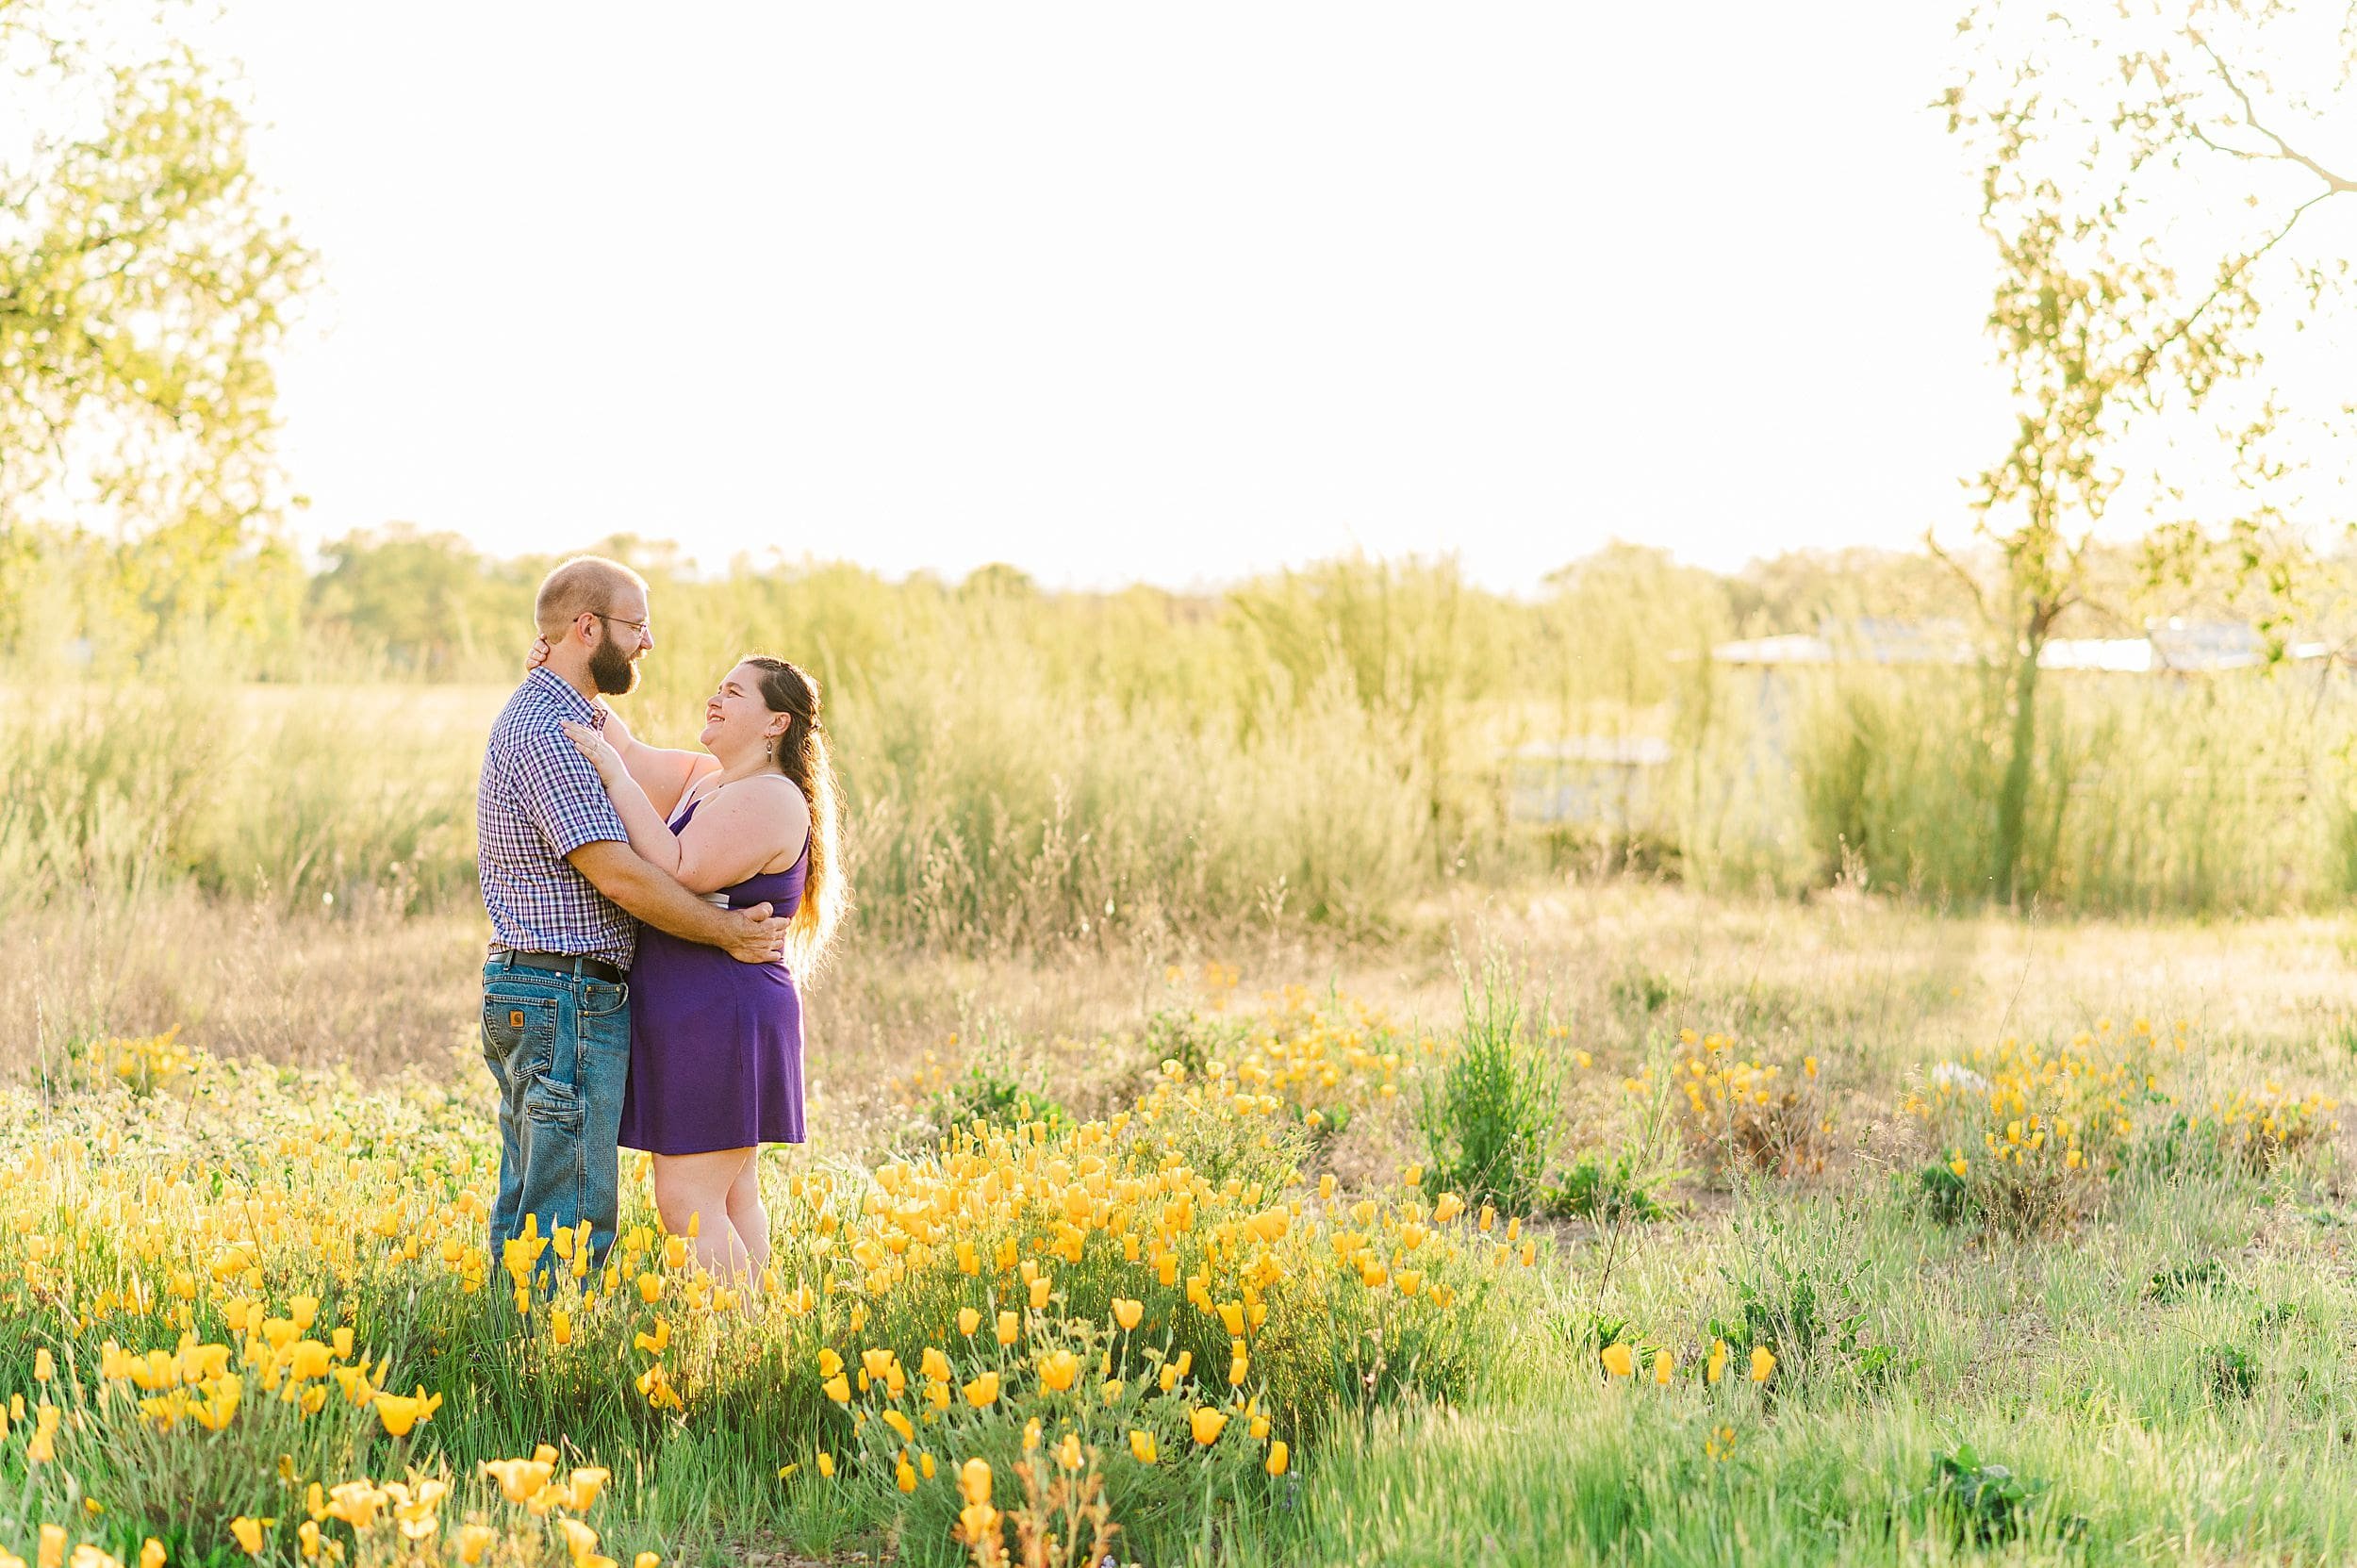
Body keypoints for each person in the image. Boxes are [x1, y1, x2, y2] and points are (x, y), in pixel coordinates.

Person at [476, 556, 792, 1279]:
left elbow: (658, 767)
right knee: (566, 1211)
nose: (648, 643)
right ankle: (543, 1369)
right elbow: (621, 874)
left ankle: (520, 1349)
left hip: (553, 992)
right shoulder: (548, 732)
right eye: (636, 626)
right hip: (563, 992)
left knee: (534, 1203)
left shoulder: (566, 717)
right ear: (588, 628)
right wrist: (725, 931)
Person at [557, 652, 847, 1279]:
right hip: (700, 1009)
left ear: (776, 722)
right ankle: (752, 1344)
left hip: (722, 1011)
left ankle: (740, 1346)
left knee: (687, 1202)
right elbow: (626, 746)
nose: (715, 698)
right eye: (718, 687)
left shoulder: (772, 796)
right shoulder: (712, 778)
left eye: (735, 693)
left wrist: (613, 777)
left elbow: (680, 863)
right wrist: (560, 670)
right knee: (731, 1195)